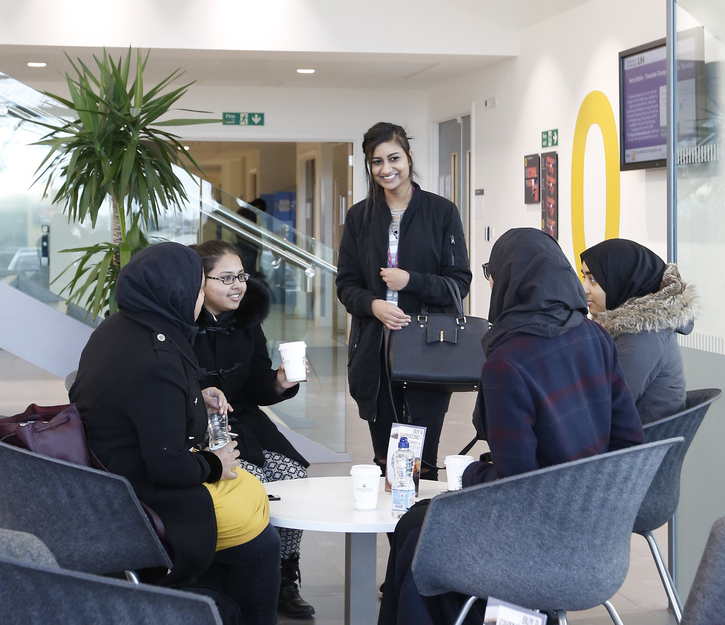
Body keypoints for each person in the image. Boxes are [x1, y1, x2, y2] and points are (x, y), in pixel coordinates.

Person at [378, 228, 644, 625]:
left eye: (492, 271)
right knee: (420, 524)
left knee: (418, 529)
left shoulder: (508, 361)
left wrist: (468, 472)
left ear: (509, 280)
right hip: (598, 537)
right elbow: (630, 442)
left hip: (534, 540)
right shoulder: (595, 336)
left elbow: (513, 488)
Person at [68, 242, 280, 625]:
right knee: (261, 540)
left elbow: (141, 402)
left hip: (103, 475)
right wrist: (214, 464)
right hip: (136, 496)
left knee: (252, 498)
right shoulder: (157, 358)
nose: (201, 297)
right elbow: (167, 466)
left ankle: (213, 606)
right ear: (176, 291)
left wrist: (193, 397)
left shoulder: (121, 327)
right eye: (199, 288)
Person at [336, 121, 471, 479]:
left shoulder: (442, 212)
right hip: (375, 352)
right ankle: (396, 533)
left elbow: (459, 283)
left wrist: (411, 281)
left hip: (428, 349)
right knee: (388, 463)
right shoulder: (359, 217)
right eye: (376, 162)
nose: (386, 169)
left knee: (421, 464)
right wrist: (373, 305)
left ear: (409, 157)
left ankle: (417, 533)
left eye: (393, 158)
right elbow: (346, 284)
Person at [190, 239, 316, 619]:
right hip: (200, 428)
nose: (238, 286)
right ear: (199, 283)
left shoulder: (246, 322)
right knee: (253, 479)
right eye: (226, 278)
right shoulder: (178, 326)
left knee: (294, 474)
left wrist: (280, 381)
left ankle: (283, 575)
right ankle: (248, 567)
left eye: (241, 276)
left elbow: (257, 386)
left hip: (245, 419)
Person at [580, 238, 698, 423]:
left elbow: (602, 408)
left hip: (641, 447)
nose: (584, 288)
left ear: (622, 279)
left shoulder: (644, 336)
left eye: (593, 279)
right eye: (584, 278)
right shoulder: (627, 330)